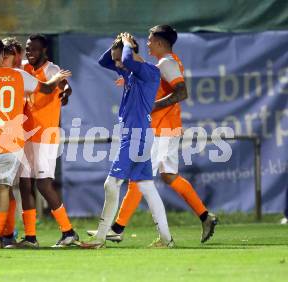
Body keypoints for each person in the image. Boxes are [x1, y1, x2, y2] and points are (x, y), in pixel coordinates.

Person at [87, 25, 217, 245]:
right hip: (163, 127)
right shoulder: (154, 66)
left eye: (150, 39)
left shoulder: (164, 63)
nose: (147, 43)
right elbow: (112, 62)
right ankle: (203, 217)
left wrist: (149, 106)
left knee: (136, 181)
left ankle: (116, 228)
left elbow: (181, 92)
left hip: (159, 129)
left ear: (159, 42)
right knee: (164, 178)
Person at [0, 36, 71, 249]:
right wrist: (58, 80)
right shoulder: (19, 75)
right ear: (2, 54)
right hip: (13, 144)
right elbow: (46, 88)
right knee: (4, 188)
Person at [81, 33, 174, 249]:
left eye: (119, 60)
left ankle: (100, 238)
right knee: (147, 187)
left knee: (111, 183)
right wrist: (118, 45)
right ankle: (166, 239)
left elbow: (129, 60)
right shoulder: (131, 72)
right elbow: (103, 61)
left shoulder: (149, 71)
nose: (117, 65)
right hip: (139, 135)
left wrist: (126, 45)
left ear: (130, 53)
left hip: (136, 137)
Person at [16, 34, 77, 248]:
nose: (29, 53)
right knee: (24, 183)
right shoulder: (24, 67)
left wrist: (66, 92)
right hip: (26, 133)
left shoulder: (52, 70)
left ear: (44, 51)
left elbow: (65, 86)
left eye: (33, 49)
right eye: (27, 48)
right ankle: (30, 237)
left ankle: (68, 232)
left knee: (43, 183)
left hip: (46, 135)